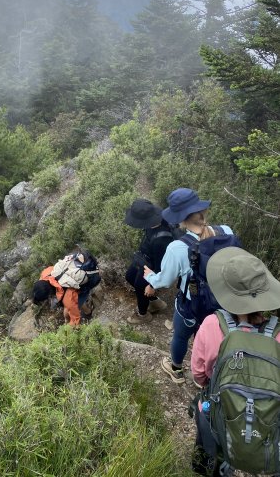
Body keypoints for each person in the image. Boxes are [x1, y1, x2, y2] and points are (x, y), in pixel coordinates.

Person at [190, 247, 280, 476]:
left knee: (204, 410)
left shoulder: (211, 325)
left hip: (221, 415)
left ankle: (209, 466)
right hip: (269, 420)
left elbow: (198, 375)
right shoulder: (278, 334)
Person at [143, 188, 234, 384]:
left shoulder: (178, 248)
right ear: (203, 211)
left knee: (181, 336)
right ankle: (206, 376)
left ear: (180, 220)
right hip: (225, 304)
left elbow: (165, 281)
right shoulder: (227, 231)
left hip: (192, 306)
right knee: (217, 341)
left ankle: (176, 369)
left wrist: (151, 277)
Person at [124, 199, 174, 324]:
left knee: (140, 287)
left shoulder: (161, 240)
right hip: (145, 258)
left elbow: (160, 266)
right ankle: (155, 302)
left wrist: (152, 285)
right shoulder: (154, 222)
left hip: (152, 266)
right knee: (129, 276)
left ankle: (143, 315)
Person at [33, 249, 101, 326]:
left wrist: (69, 325)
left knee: (74, 301)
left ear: (50, 295)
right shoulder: (45, 273)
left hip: (94, 276)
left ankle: (88, 312)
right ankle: (79, 312)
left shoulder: (67, 295)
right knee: (69, 303)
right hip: (80, 260)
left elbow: (75, 321)